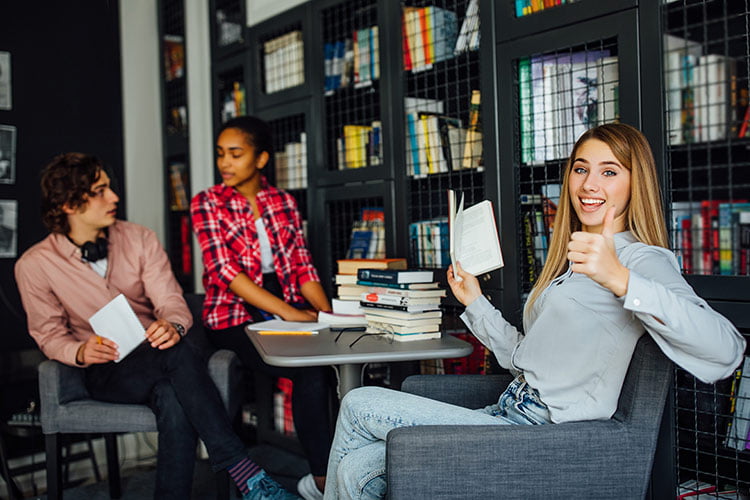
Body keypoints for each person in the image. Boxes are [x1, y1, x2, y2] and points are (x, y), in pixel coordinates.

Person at [321, 123, 747, 500]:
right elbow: (526, 360)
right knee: (356, 471)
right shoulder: (575, 262)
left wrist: (620, 279)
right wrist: (475, 301)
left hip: (539, 434)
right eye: (581, 169)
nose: (589, 184)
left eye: (609, 171)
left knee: (360, 402)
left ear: (636, 184)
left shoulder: (641, 260)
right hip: (506, 411)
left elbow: (726, 350)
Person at [14, 153, 300, 500]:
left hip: (161, 352)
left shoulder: (140, 238)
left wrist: (173, 324)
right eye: (101, 190)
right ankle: (245, 471)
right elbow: (48, 333)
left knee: (173, 394)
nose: (115, 197)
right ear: (69, 203)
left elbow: (171, 300)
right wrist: (79, 350)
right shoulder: (34, 265)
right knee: (178, 359)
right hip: (107, 369)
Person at [191, 116, 333, 500]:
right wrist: (290, 313)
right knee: (304, 368)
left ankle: (326, 479)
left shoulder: (283, 202)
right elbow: (225, 272)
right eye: (221, 154)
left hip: (283, 303)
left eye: (236, 154)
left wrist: (329, 315)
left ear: (261, 158)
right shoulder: (207, 202)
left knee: (320, 369)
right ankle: (326, 483)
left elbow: (302, 265)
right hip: (233, 314)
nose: (225, 162)